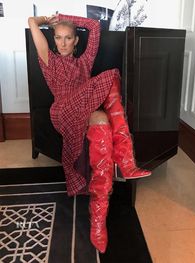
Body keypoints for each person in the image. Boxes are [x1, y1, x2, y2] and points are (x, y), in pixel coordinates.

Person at [28, 13, 151, 253]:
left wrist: (66, 18)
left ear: (76, 41)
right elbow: (32, 23)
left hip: (85, 111)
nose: (63, 43)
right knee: (111, 75)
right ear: (54, 40)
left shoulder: (85, 62)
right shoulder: (49, 60)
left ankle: (98, 220)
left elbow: (94, 26)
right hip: (63, 111)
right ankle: (126, 159)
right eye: (59, 38)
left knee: (103, 123)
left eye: (68, 38)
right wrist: (49, 20)